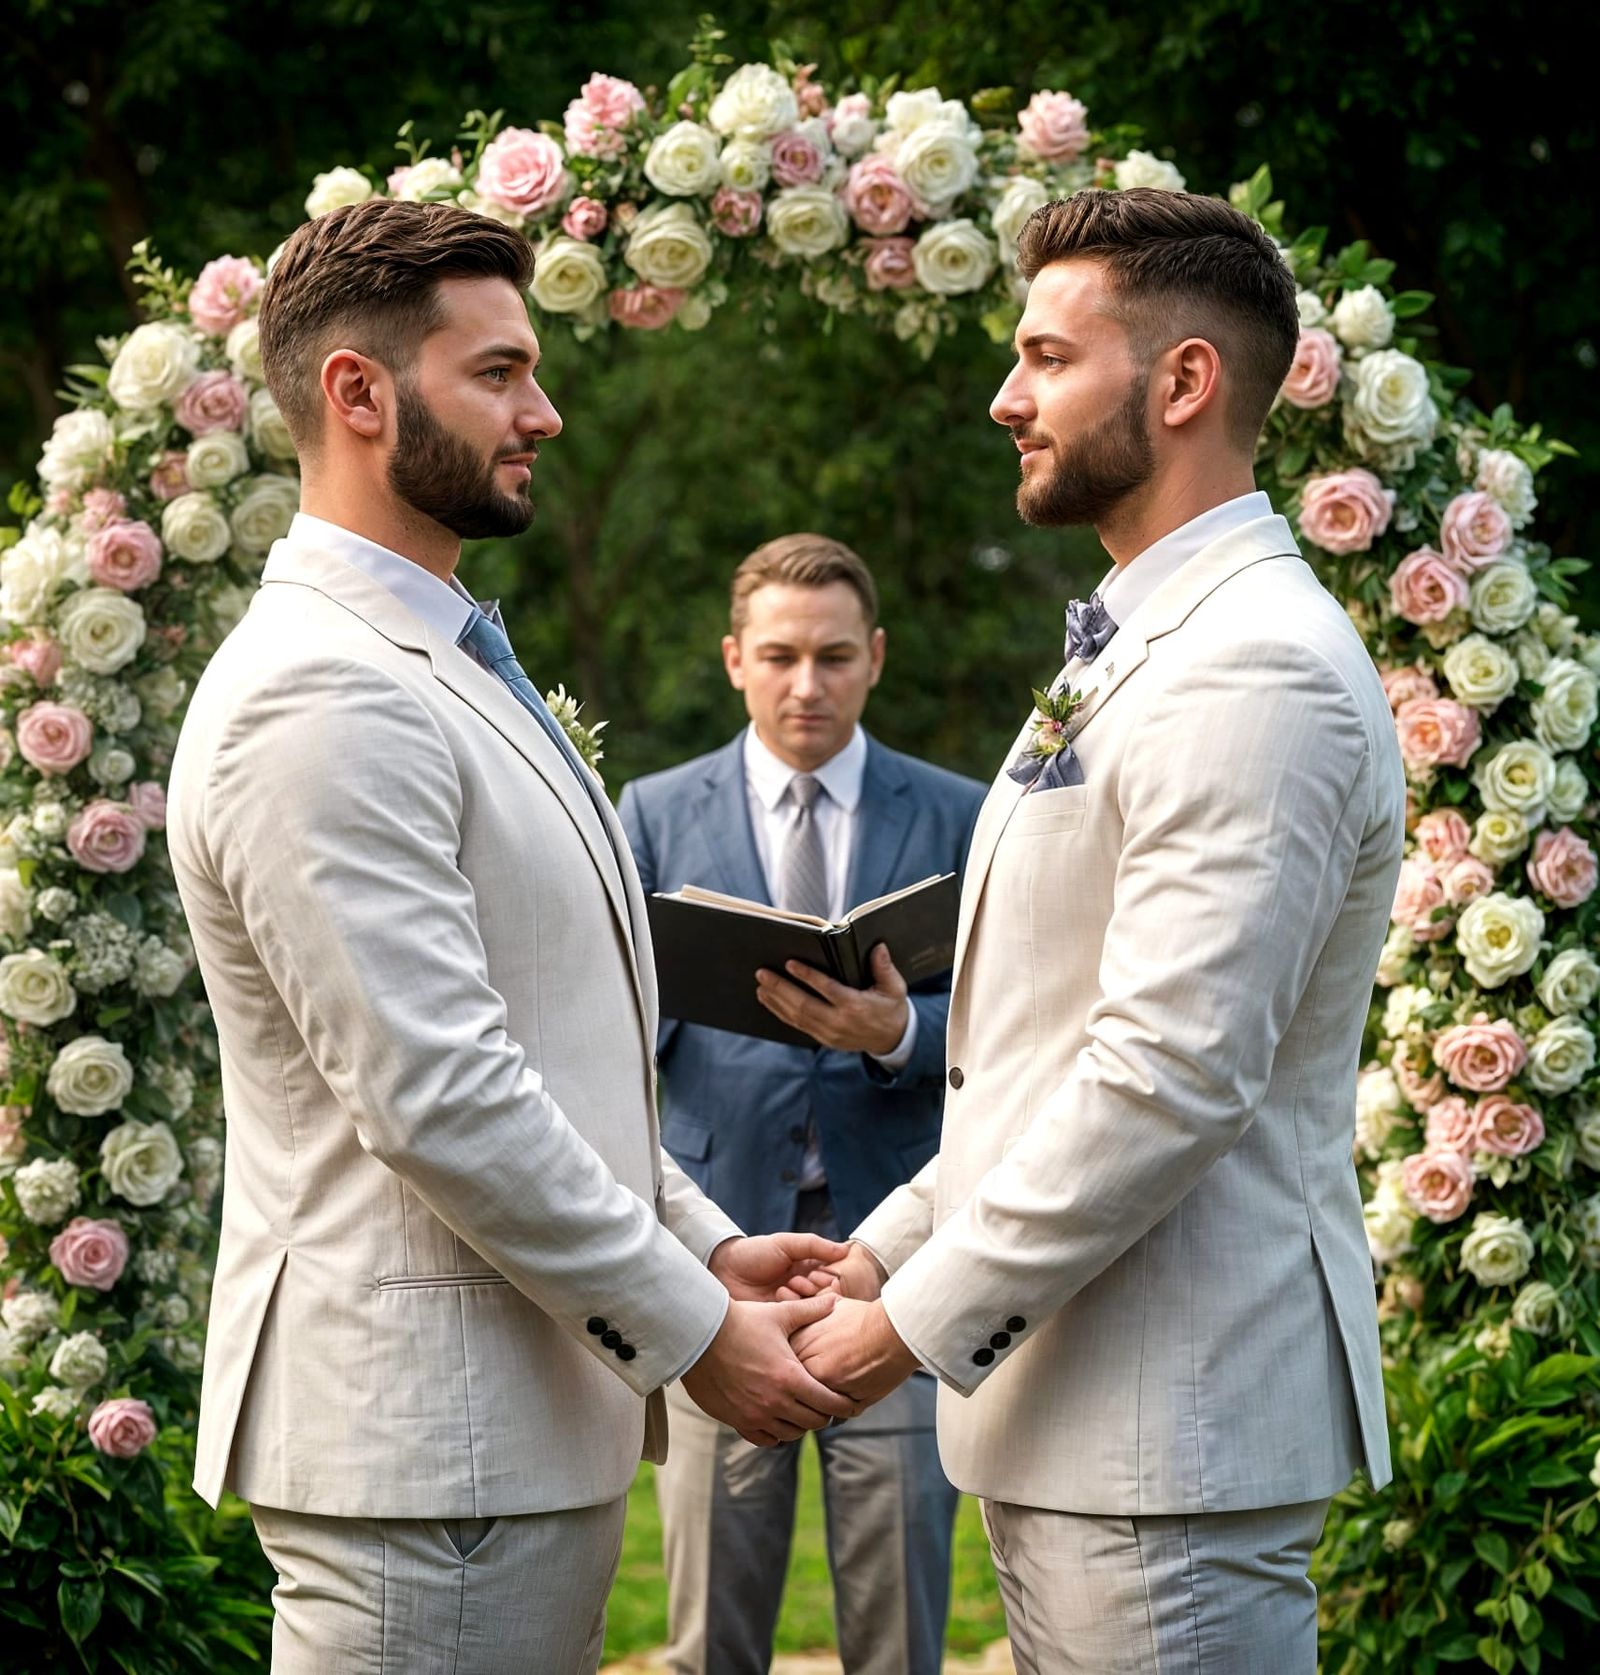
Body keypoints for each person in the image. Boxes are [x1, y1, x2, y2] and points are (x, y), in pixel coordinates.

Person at [166, 198, 857, 1675]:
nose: (542, 411)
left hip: (502, 1440)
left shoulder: (443, 653)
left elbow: (552, 1044)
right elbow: (442, 1092)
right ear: (358, 393)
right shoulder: (322, 692)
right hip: (426, 1456)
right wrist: (686, 1325)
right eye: (498, 372)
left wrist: (707, 1244)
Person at [788, 187, 1406, 1673]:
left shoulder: (1256, 667)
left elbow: (1166, 1074)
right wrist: (875, 1253)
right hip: (1096, 1426)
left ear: (1184, 380)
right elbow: (1043, 1050)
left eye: (1046, 357)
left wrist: (904, 1325)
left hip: (1168, 1438)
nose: (1007, 397)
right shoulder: (1149, 639)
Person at [617, 534, 984, 1675]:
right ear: (734, 659)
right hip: (718, 1264)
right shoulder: (652, 810)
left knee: (899, 1631)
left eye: (832, 655)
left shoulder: (967, 814)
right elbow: (617, 1037)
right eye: (779, 655)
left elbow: (1016, 1042)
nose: (806, 684)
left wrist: (902, 1033)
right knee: (708, 1634)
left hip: (900, 1267)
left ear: (874, 657)